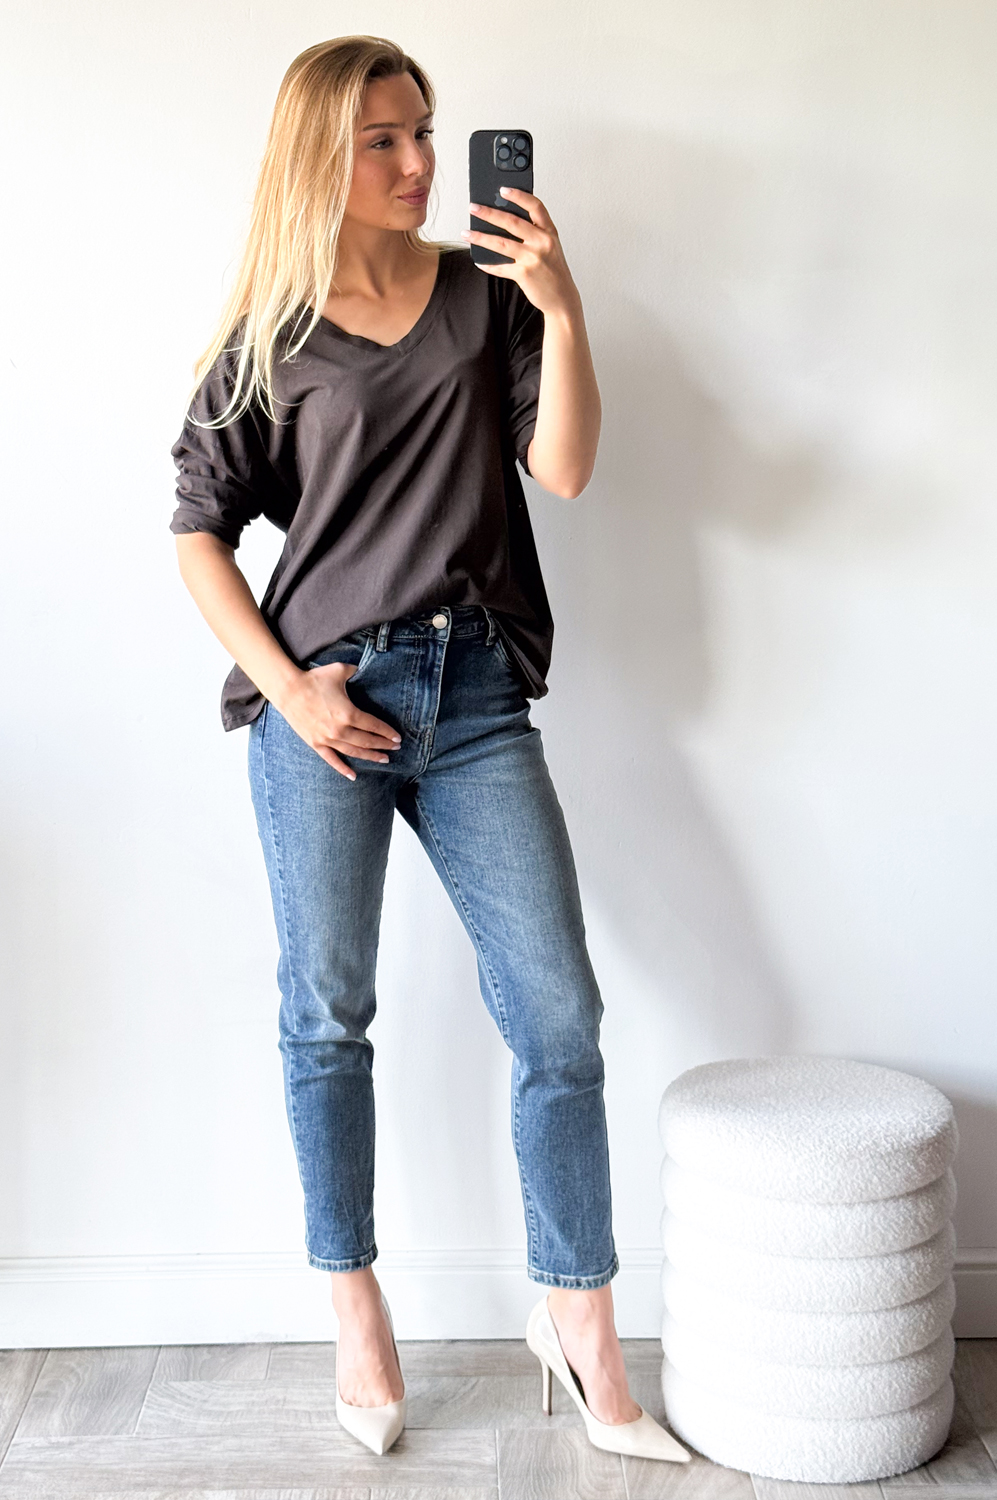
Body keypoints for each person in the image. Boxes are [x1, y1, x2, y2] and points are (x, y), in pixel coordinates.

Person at [170, 34, 687, 1464]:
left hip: (471, 700)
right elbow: (198, 532)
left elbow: (562, 468)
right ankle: (356, 1310)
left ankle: (579, 1327)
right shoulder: (271, 334)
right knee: (326, 1018)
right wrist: (287, 691)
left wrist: (562, 308)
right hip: (325, 707)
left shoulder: (482, 293)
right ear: (319, 160)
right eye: (383, 141)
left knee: (559, 1020)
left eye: (424, 132)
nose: (417, 164)